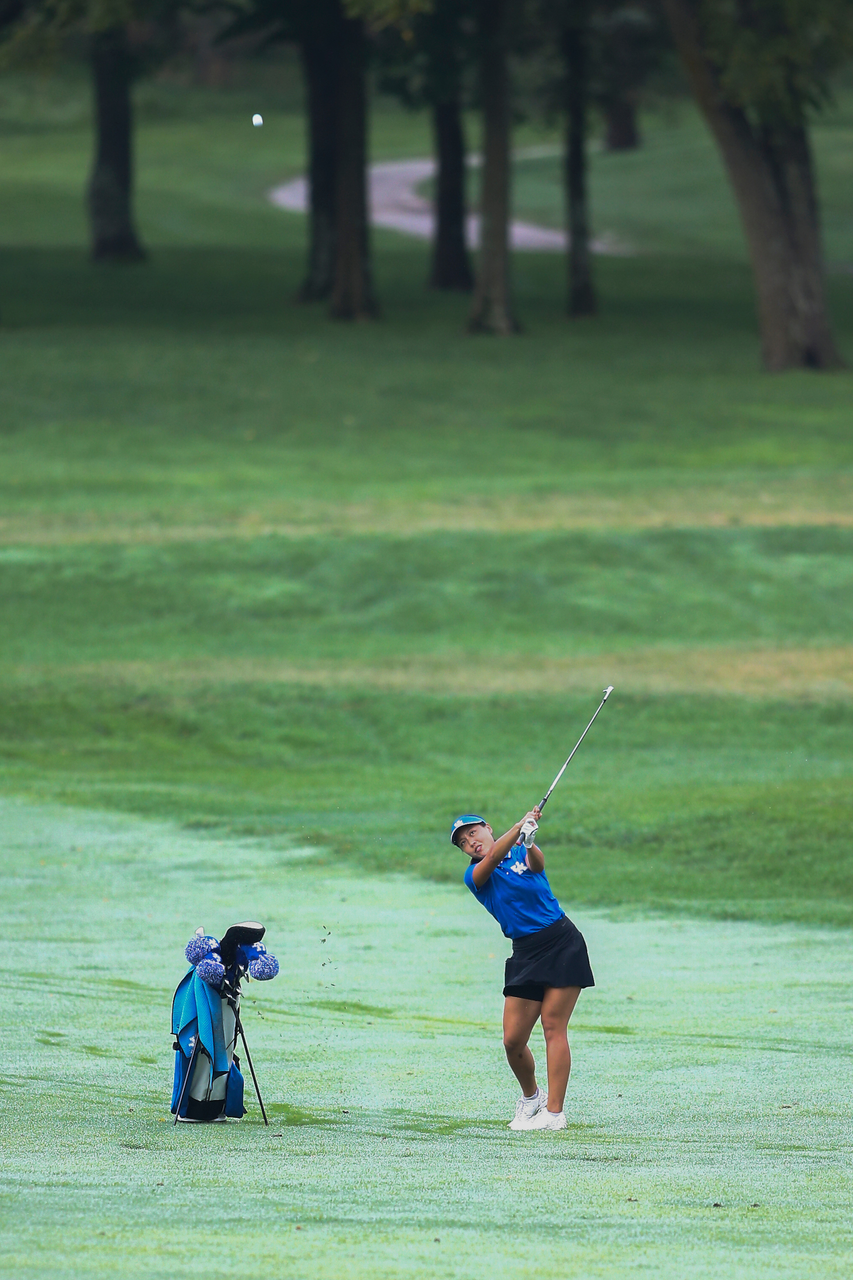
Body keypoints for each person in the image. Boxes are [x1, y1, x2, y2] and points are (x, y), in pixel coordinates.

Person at [451, 808, 594, 1131]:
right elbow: (490, 862)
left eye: (473, 833)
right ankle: (532, 1098)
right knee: (512, 1041)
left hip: (561, 943)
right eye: (463, 842)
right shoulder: (474, 876)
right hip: (525, 953)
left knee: (553, 1026)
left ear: (487, 828)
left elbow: (537, 866)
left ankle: (554, 1114)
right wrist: (519, 827)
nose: (471, 842)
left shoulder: (519, 850)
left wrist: (528, 842)